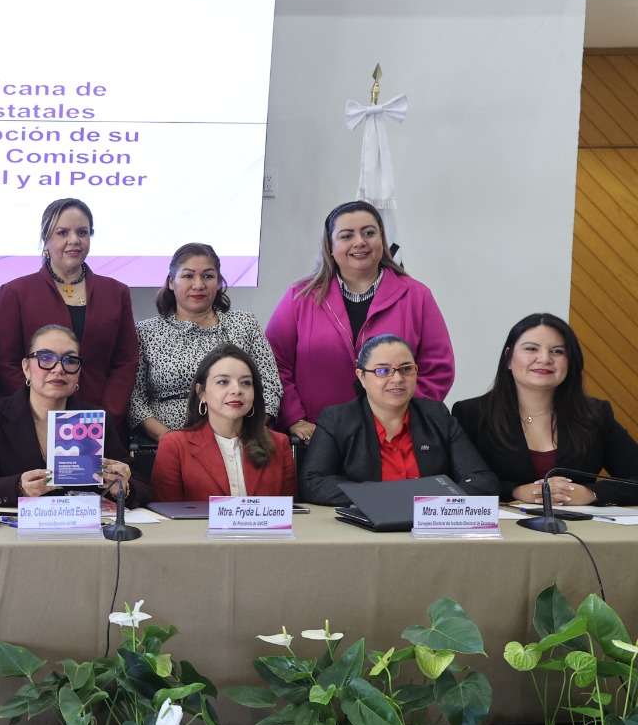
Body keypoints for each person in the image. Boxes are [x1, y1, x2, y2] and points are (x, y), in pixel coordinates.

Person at [266, 200, 454, 443]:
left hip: (393, 439)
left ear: (382, 240)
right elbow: (272, 363)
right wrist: (294, 419)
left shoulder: (417, 296)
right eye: (347, 236)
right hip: (315, 438)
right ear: (330, 246)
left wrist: (399, 418)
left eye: (369, 233)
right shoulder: (300, 296)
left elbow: (438, 369)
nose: (360, 242)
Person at [0, 325, 151, 509]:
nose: (59, 369)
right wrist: (18, 489)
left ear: (78, 372)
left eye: (70, 360)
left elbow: (141, 487)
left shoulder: (95, 420)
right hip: (13, 527)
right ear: (26, 368)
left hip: (82, 527)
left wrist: (123, 488)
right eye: (46, 358)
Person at [453, 313, 638, 506]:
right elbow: (455, 484)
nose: (544, 359)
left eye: (557, 351)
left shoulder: (595, 414)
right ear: (508, 358)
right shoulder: (471, 414)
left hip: (578, 524)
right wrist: (515, 491)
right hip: (503, 524)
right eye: (531, 349)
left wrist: (591, 493)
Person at [0, 198, 138, 437]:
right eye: (62, 232)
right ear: (46, 238)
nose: (74, 240)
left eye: (82, 232)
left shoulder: (116, 292)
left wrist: (106, 415)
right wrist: (37, 411)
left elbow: (126, 361)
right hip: (34, 424)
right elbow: (6, 362)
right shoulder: (16, 292)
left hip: (101, 422)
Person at [298, 335, 496, 506]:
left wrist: (431, 502)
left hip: (430, 525)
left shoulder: (437, 415)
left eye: (406, 369)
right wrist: (390, 496)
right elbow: (313, 483)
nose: (397, 379)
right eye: (383, 371)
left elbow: (482, 480)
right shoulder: (337, 419)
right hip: (364, 529)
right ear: (362, 377)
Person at [130, 243, 281, 438]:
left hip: (238, 440)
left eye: (208, 276)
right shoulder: (145, 332)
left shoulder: (245, 324)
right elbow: (134, 399)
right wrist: (168, 439)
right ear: (171, 282)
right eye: (188, 276)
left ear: (218, 282)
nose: (199, 285)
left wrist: (244, 433)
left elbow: (270, 386)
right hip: (163, 443)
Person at [150, 346, 295, 501]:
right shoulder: (174, 445)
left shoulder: (279, 444)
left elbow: (290, 512)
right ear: (201, 392)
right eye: (223, 382)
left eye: (246, 382)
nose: (237, 390)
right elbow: (167, 513)